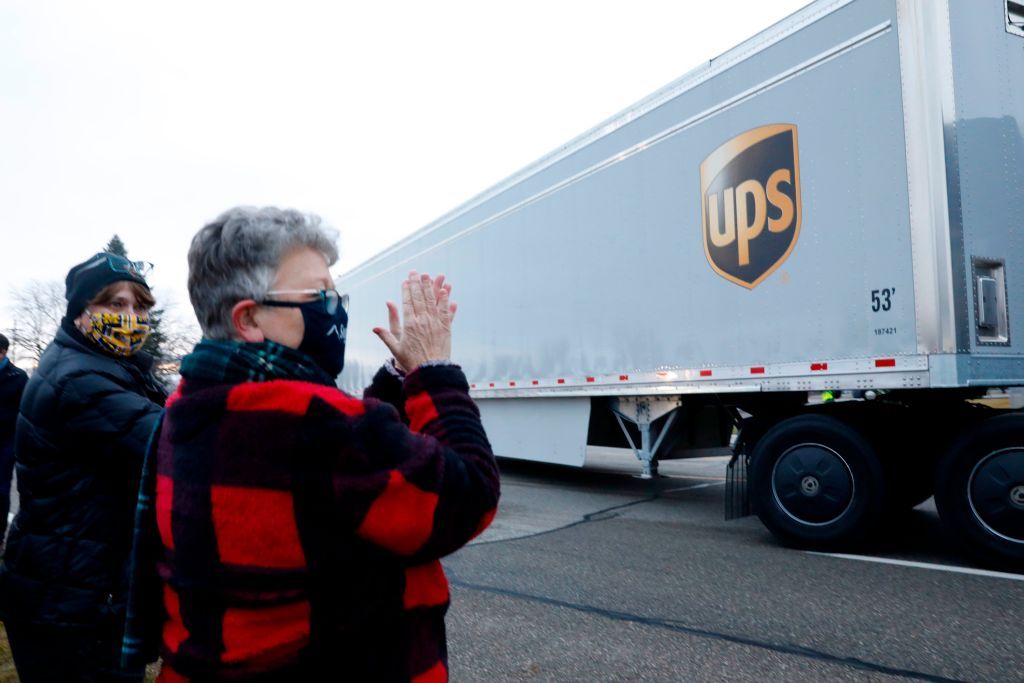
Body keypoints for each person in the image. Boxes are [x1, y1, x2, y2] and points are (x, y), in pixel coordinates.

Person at [122, 206, 500, 681]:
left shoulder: (189, 404)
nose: (335, 309)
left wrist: (393, 382)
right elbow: (468, 495)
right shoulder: (314, 425)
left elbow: (332, 478)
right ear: (250, 319)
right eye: (319, 296)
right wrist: (434, 375)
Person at [0, 253, 167, 682]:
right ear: (80, 313)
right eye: (115, 304)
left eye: (141, 306)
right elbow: (177, 442)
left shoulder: (112, 368)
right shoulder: (79, 380)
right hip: (68, 601)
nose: (132, 317)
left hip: (77, 588)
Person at [0, 333, 28, 543]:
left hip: (6, 443)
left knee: (1, 491)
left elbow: (25, 412)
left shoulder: (18, 377)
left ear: (3, 352)